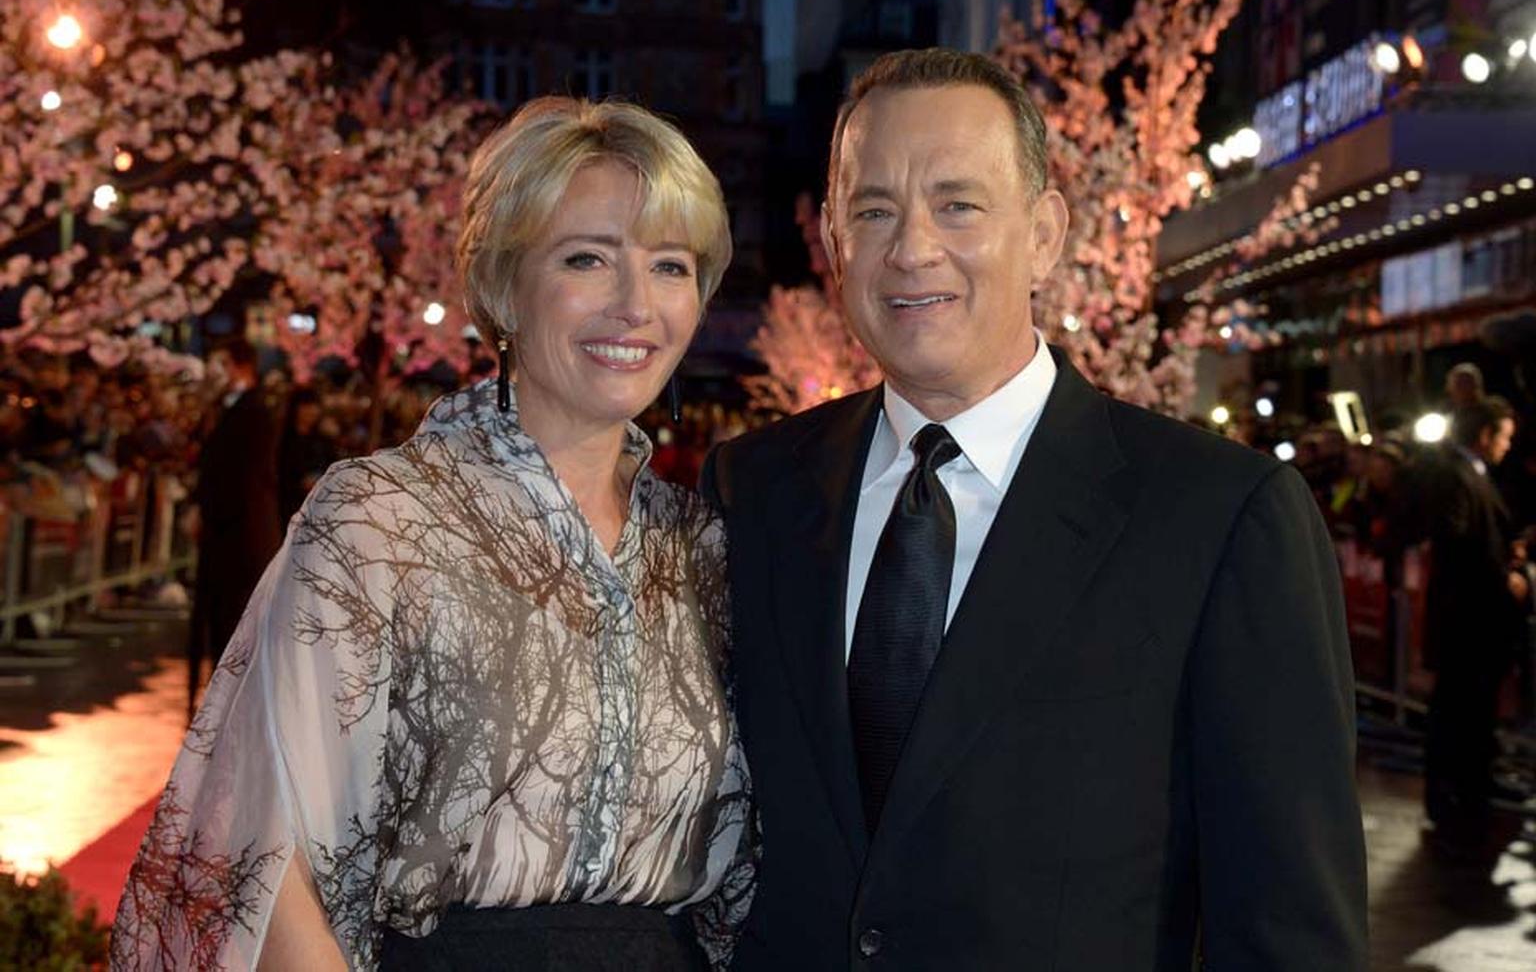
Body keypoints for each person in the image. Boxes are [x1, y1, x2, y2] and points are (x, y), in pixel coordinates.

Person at [703, 49, 1366, 969]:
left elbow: (1290, 932)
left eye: (958, 204)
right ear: (833, 240)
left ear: (1046, 234)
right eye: (873, 210)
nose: (911, 247)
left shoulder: (1220, 518)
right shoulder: (751, 490)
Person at [114, 97, 752, 970]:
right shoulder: (380, 522)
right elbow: (264, 854)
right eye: (586, 258)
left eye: (671, 265)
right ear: (502, 289)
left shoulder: (701, 549)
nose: (636, 303)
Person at [1413, 395, 1527, 852]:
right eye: (1503, 438)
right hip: (1468, 626)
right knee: (1459, 715)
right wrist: (1505, 576)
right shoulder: (1456, 477)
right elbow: (1460, 548)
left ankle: (1467, 792)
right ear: (1484, 436)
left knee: (1468, 715)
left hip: (1475, 625)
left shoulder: (1471, 476)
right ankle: (1456, 799)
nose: (1507, 447)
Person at [186, 337, 283, 721]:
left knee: (232, 624)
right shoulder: (232, 409)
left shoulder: (255, 411)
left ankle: (227, 710)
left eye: (222, 364)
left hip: (239, 538)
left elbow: (243, 479)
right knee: (220, 622)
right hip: (226, 535)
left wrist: (210, 511)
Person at [277, 386, 336, 525]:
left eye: (314, 406)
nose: (311, 411)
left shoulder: (322, 441)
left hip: (318, 506)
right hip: (291, 506)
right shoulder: (284, 442)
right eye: (306, 406)